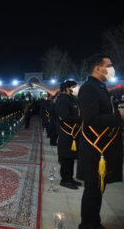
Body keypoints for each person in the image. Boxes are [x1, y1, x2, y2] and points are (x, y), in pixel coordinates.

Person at [77, 53, 123, 229]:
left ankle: (93, 222)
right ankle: (88, 224)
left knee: (97, 189)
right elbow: (90, 119)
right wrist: (119, 116)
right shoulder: (89, 88)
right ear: (98, 68)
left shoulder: (100, 87)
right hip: (94, 150)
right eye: (109, 65)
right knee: (93, 190)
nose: (111, 69)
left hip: (102, 148)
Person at [55, 80, 82, 190]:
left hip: (74, 133)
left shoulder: (72, 99)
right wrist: (80, 119)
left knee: (71, 157)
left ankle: (70, 178)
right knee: (66, 156)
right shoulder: (62, 100)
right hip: (67, 132)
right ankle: (65, 180)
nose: (75, 89)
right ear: (66, 88)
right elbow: (64, 117)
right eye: (73, 87)